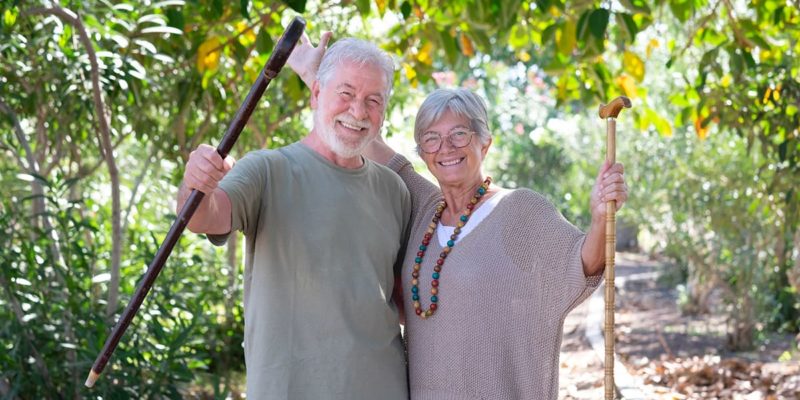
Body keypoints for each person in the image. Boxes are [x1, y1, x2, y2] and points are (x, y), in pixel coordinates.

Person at [290, 36, 629, 399]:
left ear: (484, 143)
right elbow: (368, 139)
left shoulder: (519, 210)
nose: (445, 148)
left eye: (459, 135)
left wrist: (599, 217)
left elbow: (583, 262)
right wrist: (317, 77)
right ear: (422, 151)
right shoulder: (424, 207)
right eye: (431, 139)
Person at [177, 37, 411, 399]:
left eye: (373, 100)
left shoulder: (394, 190)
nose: (358, 112)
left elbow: (404, 298)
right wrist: (197, 183)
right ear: (316, 92)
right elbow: (204, 217)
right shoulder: (268, 170)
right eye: (346, 93)